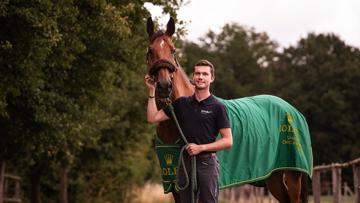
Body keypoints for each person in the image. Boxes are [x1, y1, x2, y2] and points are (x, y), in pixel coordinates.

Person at [145, 59, 233, 203]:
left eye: (205, 74)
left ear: (212, 78)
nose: (200, 77)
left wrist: (201, 148)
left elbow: (228, 141)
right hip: (185, 164)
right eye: (197, 73)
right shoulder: (181, 103)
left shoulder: (218, 107)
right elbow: (152, 117)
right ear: (193, 77)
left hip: (207, 164)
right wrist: (152, 90)